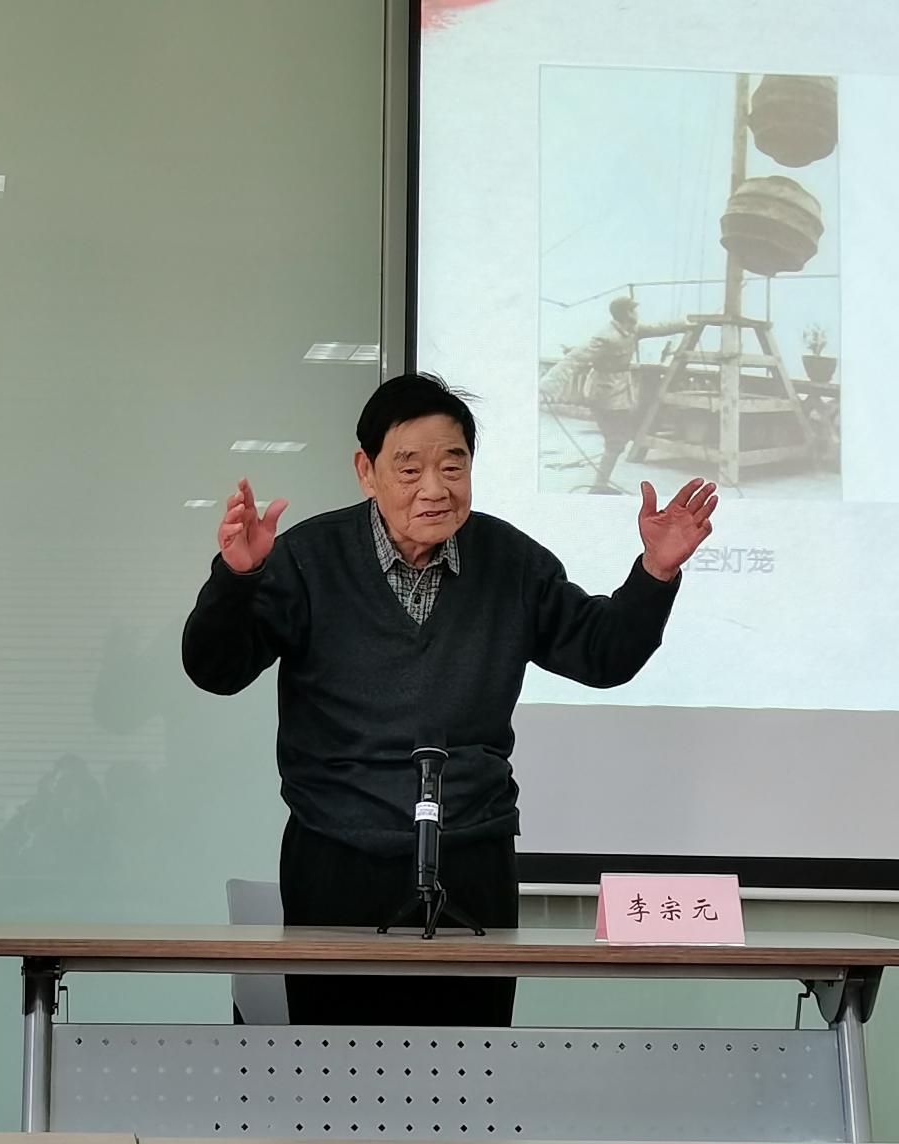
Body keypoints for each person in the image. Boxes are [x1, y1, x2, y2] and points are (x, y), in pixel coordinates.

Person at [182, 372, 717, 1027]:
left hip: (473, 858)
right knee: (337, 1072)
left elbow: (602, 655)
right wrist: (236, 580)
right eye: (409, 468)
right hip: (339, 860)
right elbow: (216, 669)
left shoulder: (510, 562)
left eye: (453, 465)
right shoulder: (308, 559)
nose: (434, 488)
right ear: (366, 471)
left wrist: (656, 573)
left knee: (472, 1070)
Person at [541, 296, 691, 494]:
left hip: (619, 392)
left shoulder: (633, 329)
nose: (637, 313)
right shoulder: (606, 337)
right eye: (633, 310)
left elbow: (658, 328)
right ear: (626, 313)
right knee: (615, 441)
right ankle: (599, 487)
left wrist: (686, 324)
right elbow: (574, 360)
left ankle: (600, 484)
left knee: (617, 440)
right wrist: (547, 386)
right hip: (603, 394)